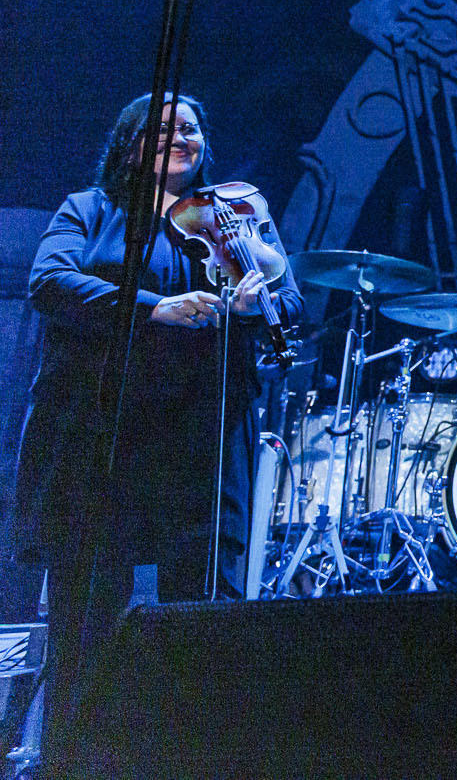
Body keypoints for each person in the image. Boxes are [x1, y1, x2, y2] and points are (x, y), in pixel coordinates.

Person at [16, 94, 303, 759]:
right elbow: (49, 281)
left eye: (193, 127)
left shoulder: (234, 217)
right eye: (165, 129)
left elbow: (291, 302)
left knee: (202, 609)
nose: (183, 136)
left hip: (201, 438)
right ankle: (74, 760)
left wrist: (261, 301)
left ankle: (190, 758)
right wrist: (156, 308)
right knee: (86, 617)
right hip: (103, 437)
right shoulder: (88, 210)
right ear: (128, 145)